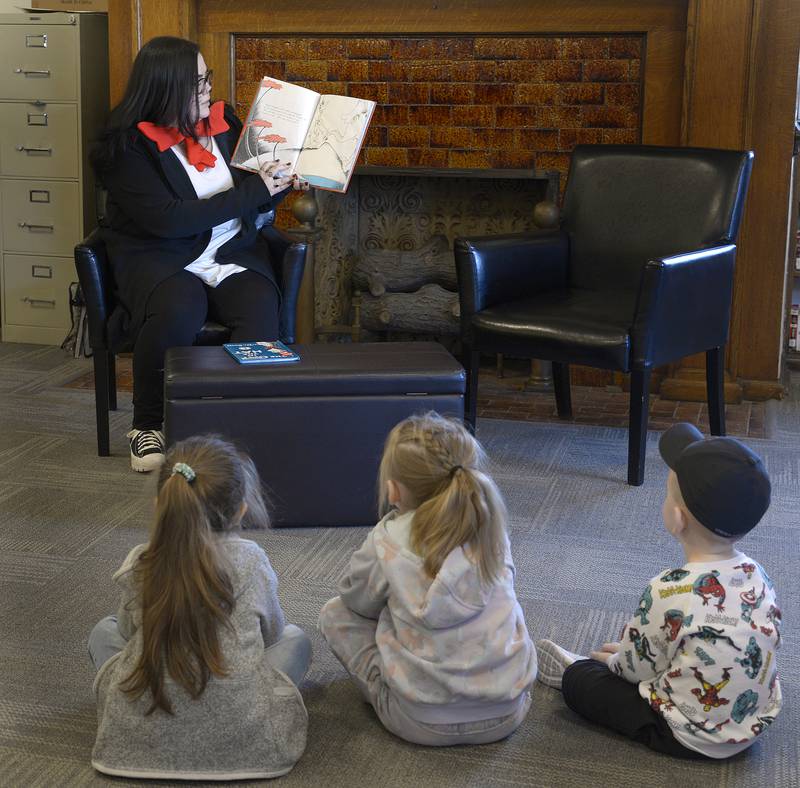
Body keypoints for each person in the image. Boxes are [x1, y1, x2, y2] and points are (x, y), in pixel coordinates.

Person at [91, 36, 308, 472]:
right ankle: (148, 424)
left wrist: (279, 185)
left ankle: (238, 421)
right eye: (198, 81)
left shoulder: (223, 121)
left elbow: (254, 202)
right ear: (167, 87)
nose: (209, 87)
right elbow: (169, 220)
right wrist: (253, 190)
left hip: (229, 249)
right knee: (178, 308)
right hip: (162, 254)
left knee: (259, 306)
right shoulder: (123, 148)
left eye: (207, 76)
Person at [536, 423, 782, 760]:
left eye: (666, 494)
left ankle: (574, 670)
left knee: (584, 683)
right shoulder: (758, 574)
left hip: (688, 735)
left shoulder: (668, 589)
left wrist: (619, 662)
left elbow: (637, 671)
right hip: (754, 720)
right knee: (658, 649)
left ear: (677, 519)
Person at [87, 436, 311, 780]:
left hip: (135, 744)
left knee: (104, 631)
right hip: (250, 745)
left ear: (163, 503)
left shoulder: (142, 561)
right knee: (297, 640)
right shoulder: (251, 560)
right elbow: (273, 635)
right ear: (241, 510)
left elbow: (128, 634)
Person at [319, 412, 536, 746]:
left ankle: (396, 688)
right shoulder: (493, 531)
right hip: (508, 712)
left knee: (334, 614)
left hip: (418, 721)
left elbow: (354, 600)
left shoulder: (387, 540)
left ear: (393, 490)